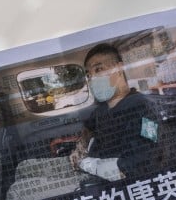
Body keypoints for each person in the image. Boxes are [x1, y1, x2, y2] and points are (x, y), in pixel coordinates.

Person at [68, 43, 166, 181]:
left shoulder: (144, 107)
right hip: (96, 177)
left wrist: (84, 163)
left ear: (119, 68)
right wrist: (80, 148)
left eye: (99, 69)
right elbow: (88, 128)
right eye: (89, 75)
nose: (93, 79)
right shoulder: (101, 111)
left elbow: (146, 159)